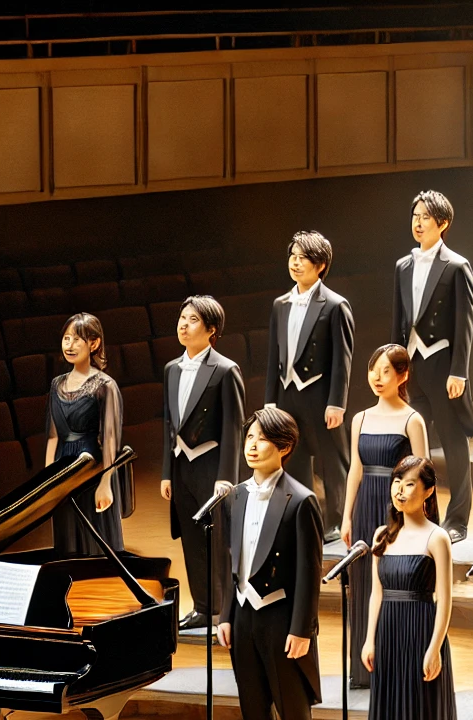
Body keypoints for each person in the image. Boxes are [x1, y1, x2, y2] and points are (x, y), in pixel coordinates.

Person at [214, 408, 322, 720]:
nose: (252, 445)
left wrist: (302, 629)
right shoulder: (236, 496)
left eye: (262, 439)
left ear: (285, 447)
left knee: (293, 715)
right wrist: (225, 613)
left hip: (281, 619)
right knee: (254, 712)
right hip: (243, 616)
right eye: (250, 437)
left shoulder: (301, 500)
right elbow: (231, 561)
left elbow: (309, 573)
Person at [359, 455, 462, 720]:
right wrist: (368, 640)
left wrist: (434, 647)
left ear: (429, 491)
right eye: (396, 483)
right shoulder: (383, 535)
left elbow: (445, 600)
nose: (401, 491)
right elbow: (377, 593)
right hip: (388, 636)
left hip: (422, 635)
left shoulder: (437, 538)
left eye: (410, 485)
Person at [391, 190, 473, 542]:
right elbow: (398, 321)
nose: (418, 222)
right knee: (411, 445)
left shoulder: (456, 266)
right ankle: (422, 513)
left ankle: (457, 520)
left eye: (426, 216)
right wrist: (394, 366)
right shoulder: (402, 265)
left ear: (443, 223)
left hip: (442, 365)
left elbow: (464, 324)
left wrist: (459, 371)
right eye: (415, 215)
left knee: (453, 442)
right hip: (411, 365)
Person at [340, 344, 426, 690]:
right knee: (363, 584)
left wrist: (418, 524)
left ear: (403, 375)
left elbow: (423, 476)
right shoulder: (360, 418)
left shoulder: (412, 419)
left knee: (392, 585)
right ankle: (363, 669)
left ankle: (393, 664)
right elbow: (355, 470)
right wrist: (346, 516)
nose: (377, 377)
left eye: (386, 370)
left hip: (397, 508)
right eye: (373, 369)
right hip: (365, 508)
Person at [161, 296, 245, 631]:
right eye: (182, 318)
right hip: (182, 466)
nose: (183, 324)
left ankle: (224, 611)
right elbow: (168, 425)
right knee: (192, 541)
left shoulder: (225, 370)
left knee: (217, 540)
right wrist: (167, 472)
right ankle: (202, 607)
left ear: (211, 330)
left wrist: (226, 478)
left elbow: (233, 429)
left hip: (211, 467)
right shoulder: (171, 369)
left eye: (192, 319)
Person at [264, 230, 353, 541]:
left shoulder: (335, 305)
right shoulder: (280, 304)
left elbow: (342, 360)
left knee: (332, 459)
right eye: (293, 256)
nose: (296, 262)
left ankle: (335, 520)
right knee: (295, 457)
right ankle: (307, 515)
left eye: (303, 258)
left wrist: (337, 403)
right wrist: (270, 401)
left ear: (321, 265)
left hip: (319, 392)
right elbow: (274, 357)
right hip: (288, 393)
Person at [47, 314, 129, 554]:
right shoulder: (56, 384)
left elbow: (111, 439)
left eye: (77, 340)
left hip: (92, 466)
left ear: (94, 344)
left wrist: (106, 483)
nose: (69, 346)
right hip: (62, 467)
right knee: (67, 543)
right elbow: (53, 436)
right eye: (66, 339)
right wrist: (47, 485)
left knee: (96, 545)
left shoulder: (105, 385)